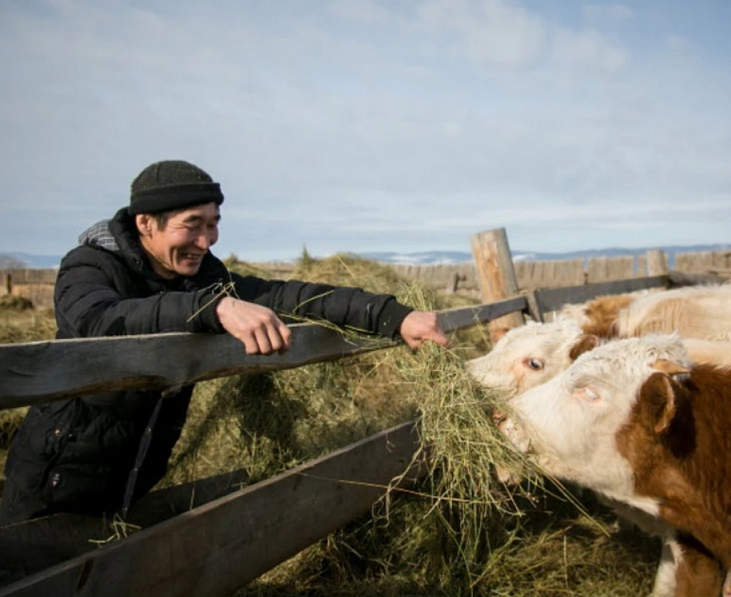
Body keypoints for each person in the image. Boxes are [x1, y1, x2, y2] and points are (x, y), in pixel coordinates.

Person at [0, 159, 448, 526]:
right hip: (52, 479)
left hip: (135, 476)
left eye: (213, 225)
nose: (206, 240)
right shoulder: (90, 266)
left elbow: (293, 297)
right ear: (145, 223)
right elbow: (97, 322)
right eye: (192, 225)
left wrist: (396, 316)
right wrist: (212, 309)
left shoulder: (206, 277)